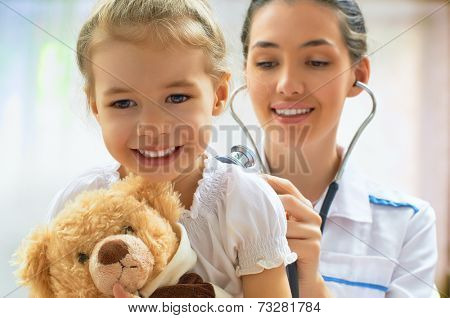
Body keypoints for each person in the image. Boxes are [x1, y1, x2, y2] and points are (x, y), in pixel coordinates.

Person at [46, 0, 297, 298]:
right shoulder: (77, 203)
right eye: (124, 103)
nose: (153, 126)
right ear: (96, 107)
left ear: (218, 95)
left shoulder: (245, 203)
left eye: (177, 98)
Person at [241, 0, 438, 297]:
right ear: (245, 72)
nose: (288, 85)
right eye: (267, 63)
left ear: (358, 75)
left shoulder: (409, 224)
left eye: (317, 62)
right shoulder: (200, 208)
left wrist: (314, 289)